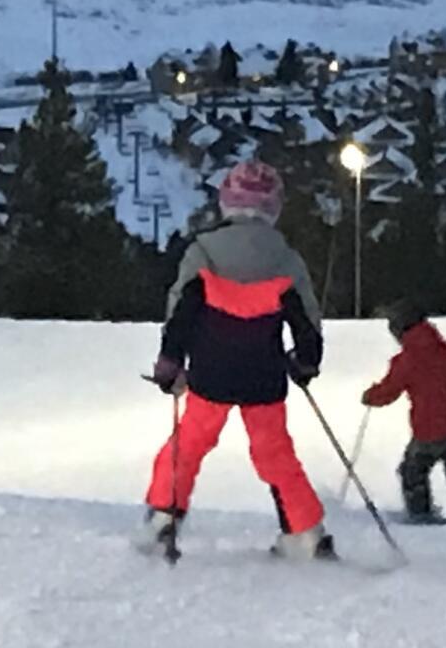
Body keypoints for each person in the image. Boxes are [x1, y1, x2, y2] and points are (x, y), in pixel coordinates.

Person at [143, 159, 333, 560]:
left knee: (188, 444)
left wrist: (170, 362)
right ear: (274, 207)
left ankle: (164, 517)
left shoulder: (203, 252)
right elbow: (306, 319)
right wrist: (305, 362)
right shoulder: (286, 260)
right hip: (264, 376)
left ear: (226, 201)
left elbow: (181, 311)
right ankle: (304, 533)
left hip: (211, 372)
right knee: (275, 453)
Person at [360, 301, 446, 525]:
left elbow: (389, 390)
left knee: (412, 471)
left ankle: (420, 514)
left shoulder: (406, 360)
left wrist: (371, 396)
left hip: (426, 430)